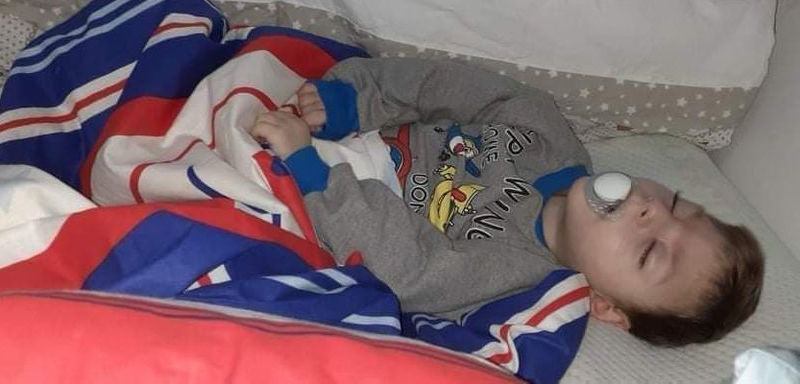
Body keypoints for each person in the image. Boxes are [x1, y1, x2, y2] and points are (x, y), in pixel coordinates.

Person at [250, 57, 764, 347]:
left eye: (650, 251)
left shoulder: (515, 272)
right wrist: (359, 99)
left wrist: (310, 165)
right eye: (677, 205)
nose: (651, 210)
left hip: (338, 196)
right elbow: (455, 87)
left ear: (604, 305)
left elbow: (408, 270)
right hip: (361, 128)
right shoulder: (551, 139)